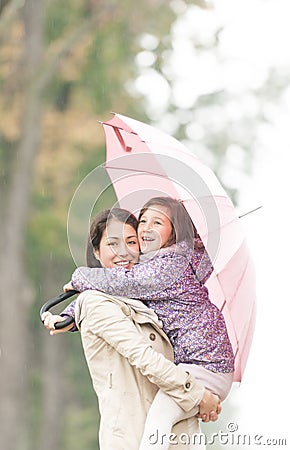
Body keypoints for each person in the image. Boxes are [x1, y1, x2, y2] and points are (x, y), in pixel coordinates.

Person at [61, 197, 235, 450]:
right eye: (143, 221)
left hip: (204, 365)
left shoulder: (166, 267)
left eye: (158, 222)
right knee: (173, 425)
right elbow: (113, 294)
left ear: (173, 232)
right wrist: (69, 314)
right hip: (192, 372)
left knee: (161, 418)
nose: (146, 228)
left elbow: (125, 283)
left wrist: (80, 277)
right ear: (96, 251)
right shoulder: (152, 270)